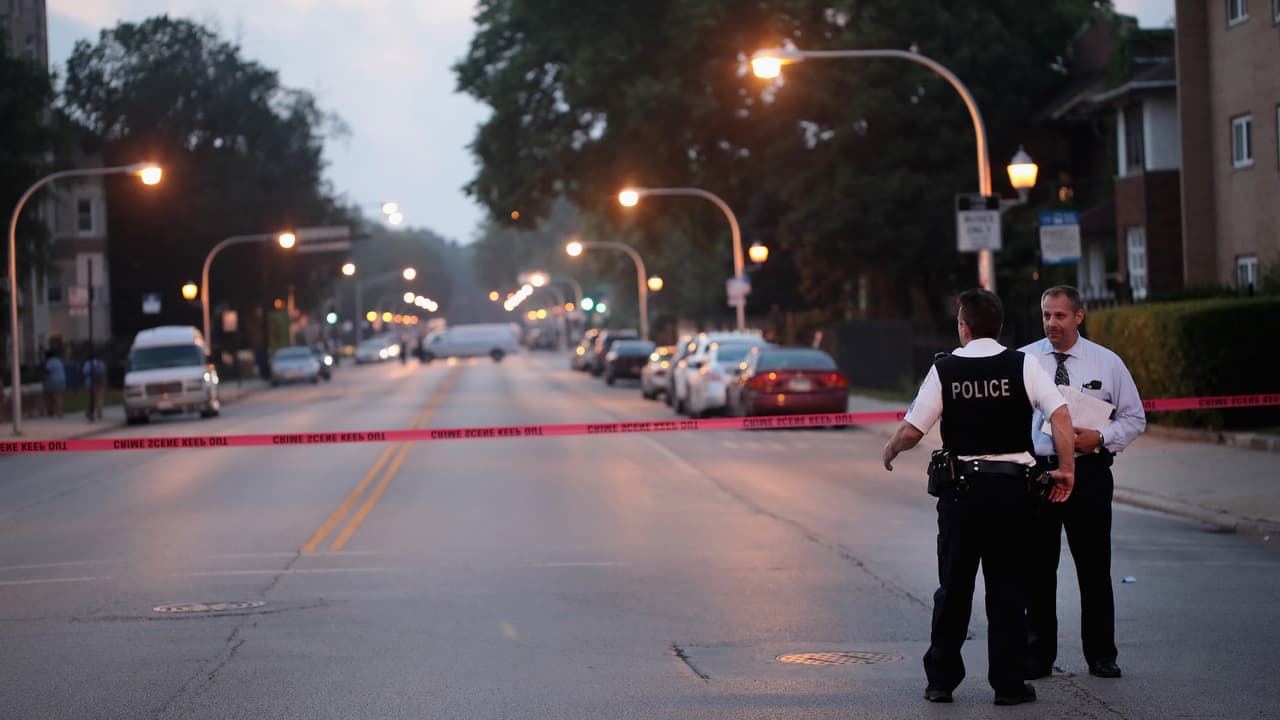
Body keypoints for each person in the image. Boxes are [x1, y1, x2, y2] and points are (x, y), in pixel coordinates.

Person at [882, 288, 1076, 706]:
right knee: (1007, 590)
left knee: (953, 587)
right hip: (1012, 493)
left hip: (962, 494)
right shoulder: (1023, 364)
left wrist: (890, 448)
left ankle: (941, 682)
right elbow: (1060, 415)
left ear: (964, 327)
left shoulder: (944, 369)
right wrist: (1067, 469)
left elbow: (914, 429)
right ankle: (1008, 685)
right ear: (1001, 326)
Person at [1019, 285, 1146, 680]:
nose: (1051, 323)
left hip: (1089, 473)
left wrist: (1102, 438)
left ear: (1079, 316)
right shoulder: (1024, 360)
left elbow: (1134, 418)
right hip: (1039, 472)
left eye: (1059, 315)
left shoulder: (1106, 363)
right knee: (1038, 569)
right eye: (1046, 315)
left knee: (1094, 568)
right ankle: (1038, 656)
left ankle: (1101, 655)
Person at [82, 354, 108, 421]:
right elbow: (105, 372)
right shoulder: (101, 363)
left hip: (91, 382)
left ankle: (89, 412)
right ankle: (99, 412)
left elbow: (85, 372)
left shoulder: (88, 363)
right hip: (101, 382)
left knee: (92, 397)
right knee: (100, 397)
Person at [42, 349, 67, 418]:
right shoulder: (58, 361)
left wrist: (44, 379)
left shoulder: (49, 362)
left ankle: (51, 412)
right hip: (62, 380)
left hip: (52, 382)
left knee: (50, 398)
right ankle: (60, 412)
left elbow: (47, 371)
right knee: (59, 397)